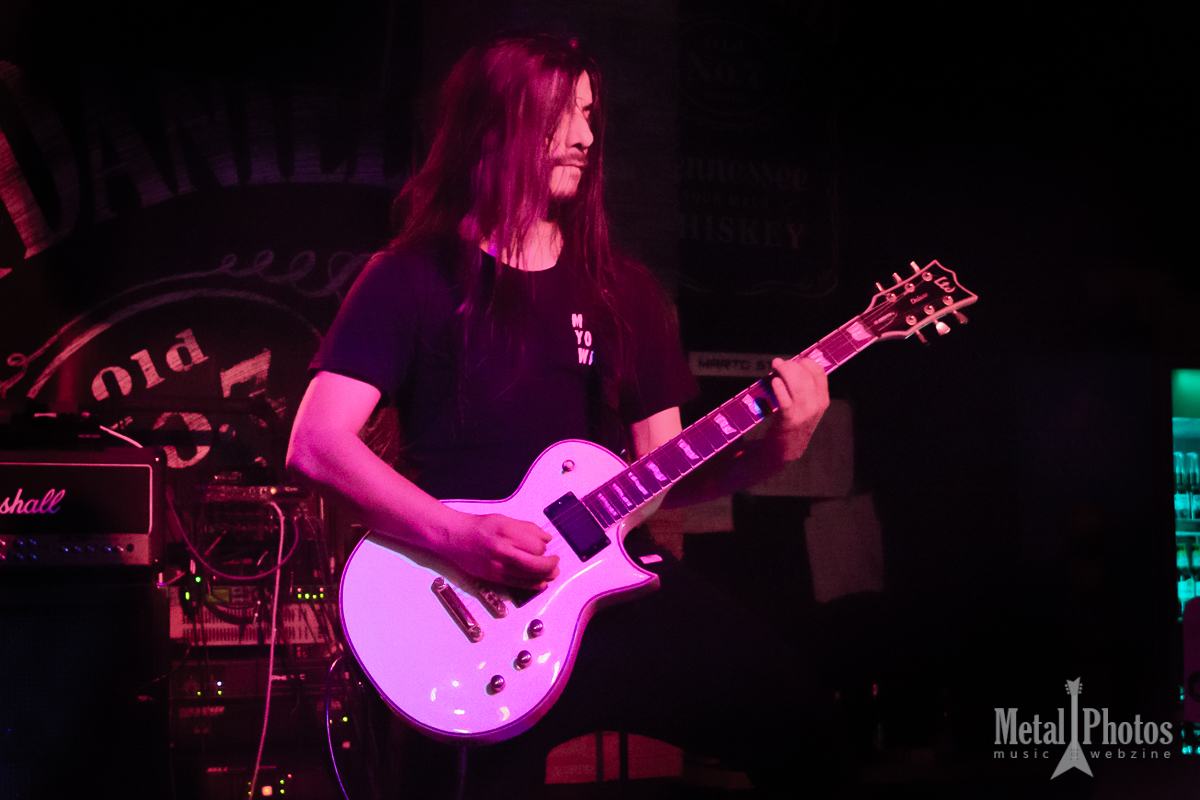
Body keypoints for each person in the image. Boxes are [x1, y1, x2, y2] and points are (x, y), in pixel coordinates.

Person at [287, 33, 839, 798]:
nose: (584, 136)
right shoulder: (409, 277)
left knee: (807, 729)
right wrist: (457, 536)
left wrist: (781, 447)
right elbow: (316, 444)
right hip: (464, 609)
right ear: (491, 127)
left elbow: (666, 478)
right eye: (560, 115)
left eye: (588, 113)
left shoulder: (624, 291)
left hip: (612, 592)